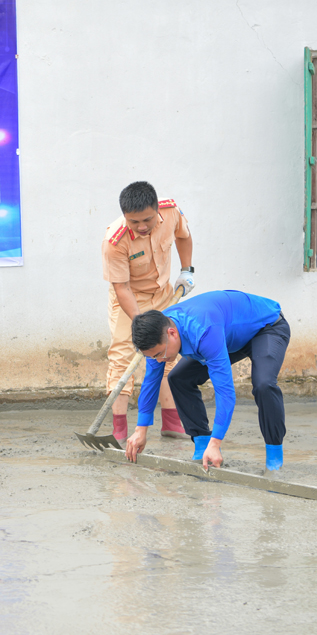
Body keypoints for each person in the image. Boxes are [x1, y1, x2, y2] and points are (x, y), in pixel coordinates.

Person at [124, 290, 291, 471]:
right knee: (178, 378)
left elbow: (225, 392)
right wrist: (141, 429)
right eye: (152, 357)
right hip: (229, 335)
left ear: (172, 333)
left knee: (263, 384)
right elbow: (151, 382)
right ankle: (203, 445)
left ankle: (274, 455)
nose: (158, 360)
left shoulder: (203, 331)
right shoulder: (157, 333)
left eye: (158, 354)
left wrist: (217, 442)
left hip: (266, 328)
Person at [101, 181, 194, 443]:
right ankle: (119, 428)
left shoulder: (171, 210)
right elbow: (121, 288)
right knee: (121, 357)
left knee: (166, 353)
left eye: (147, 219)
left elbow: (183, 236)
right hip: (129, 298)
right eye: (134, 222)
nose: (141, 226)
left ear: (157, 210)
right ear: (124, 216)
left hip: (163, 293)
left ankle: (172, 421)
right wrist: (142, 323)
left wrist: (187, 270)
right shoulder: (114, 241)